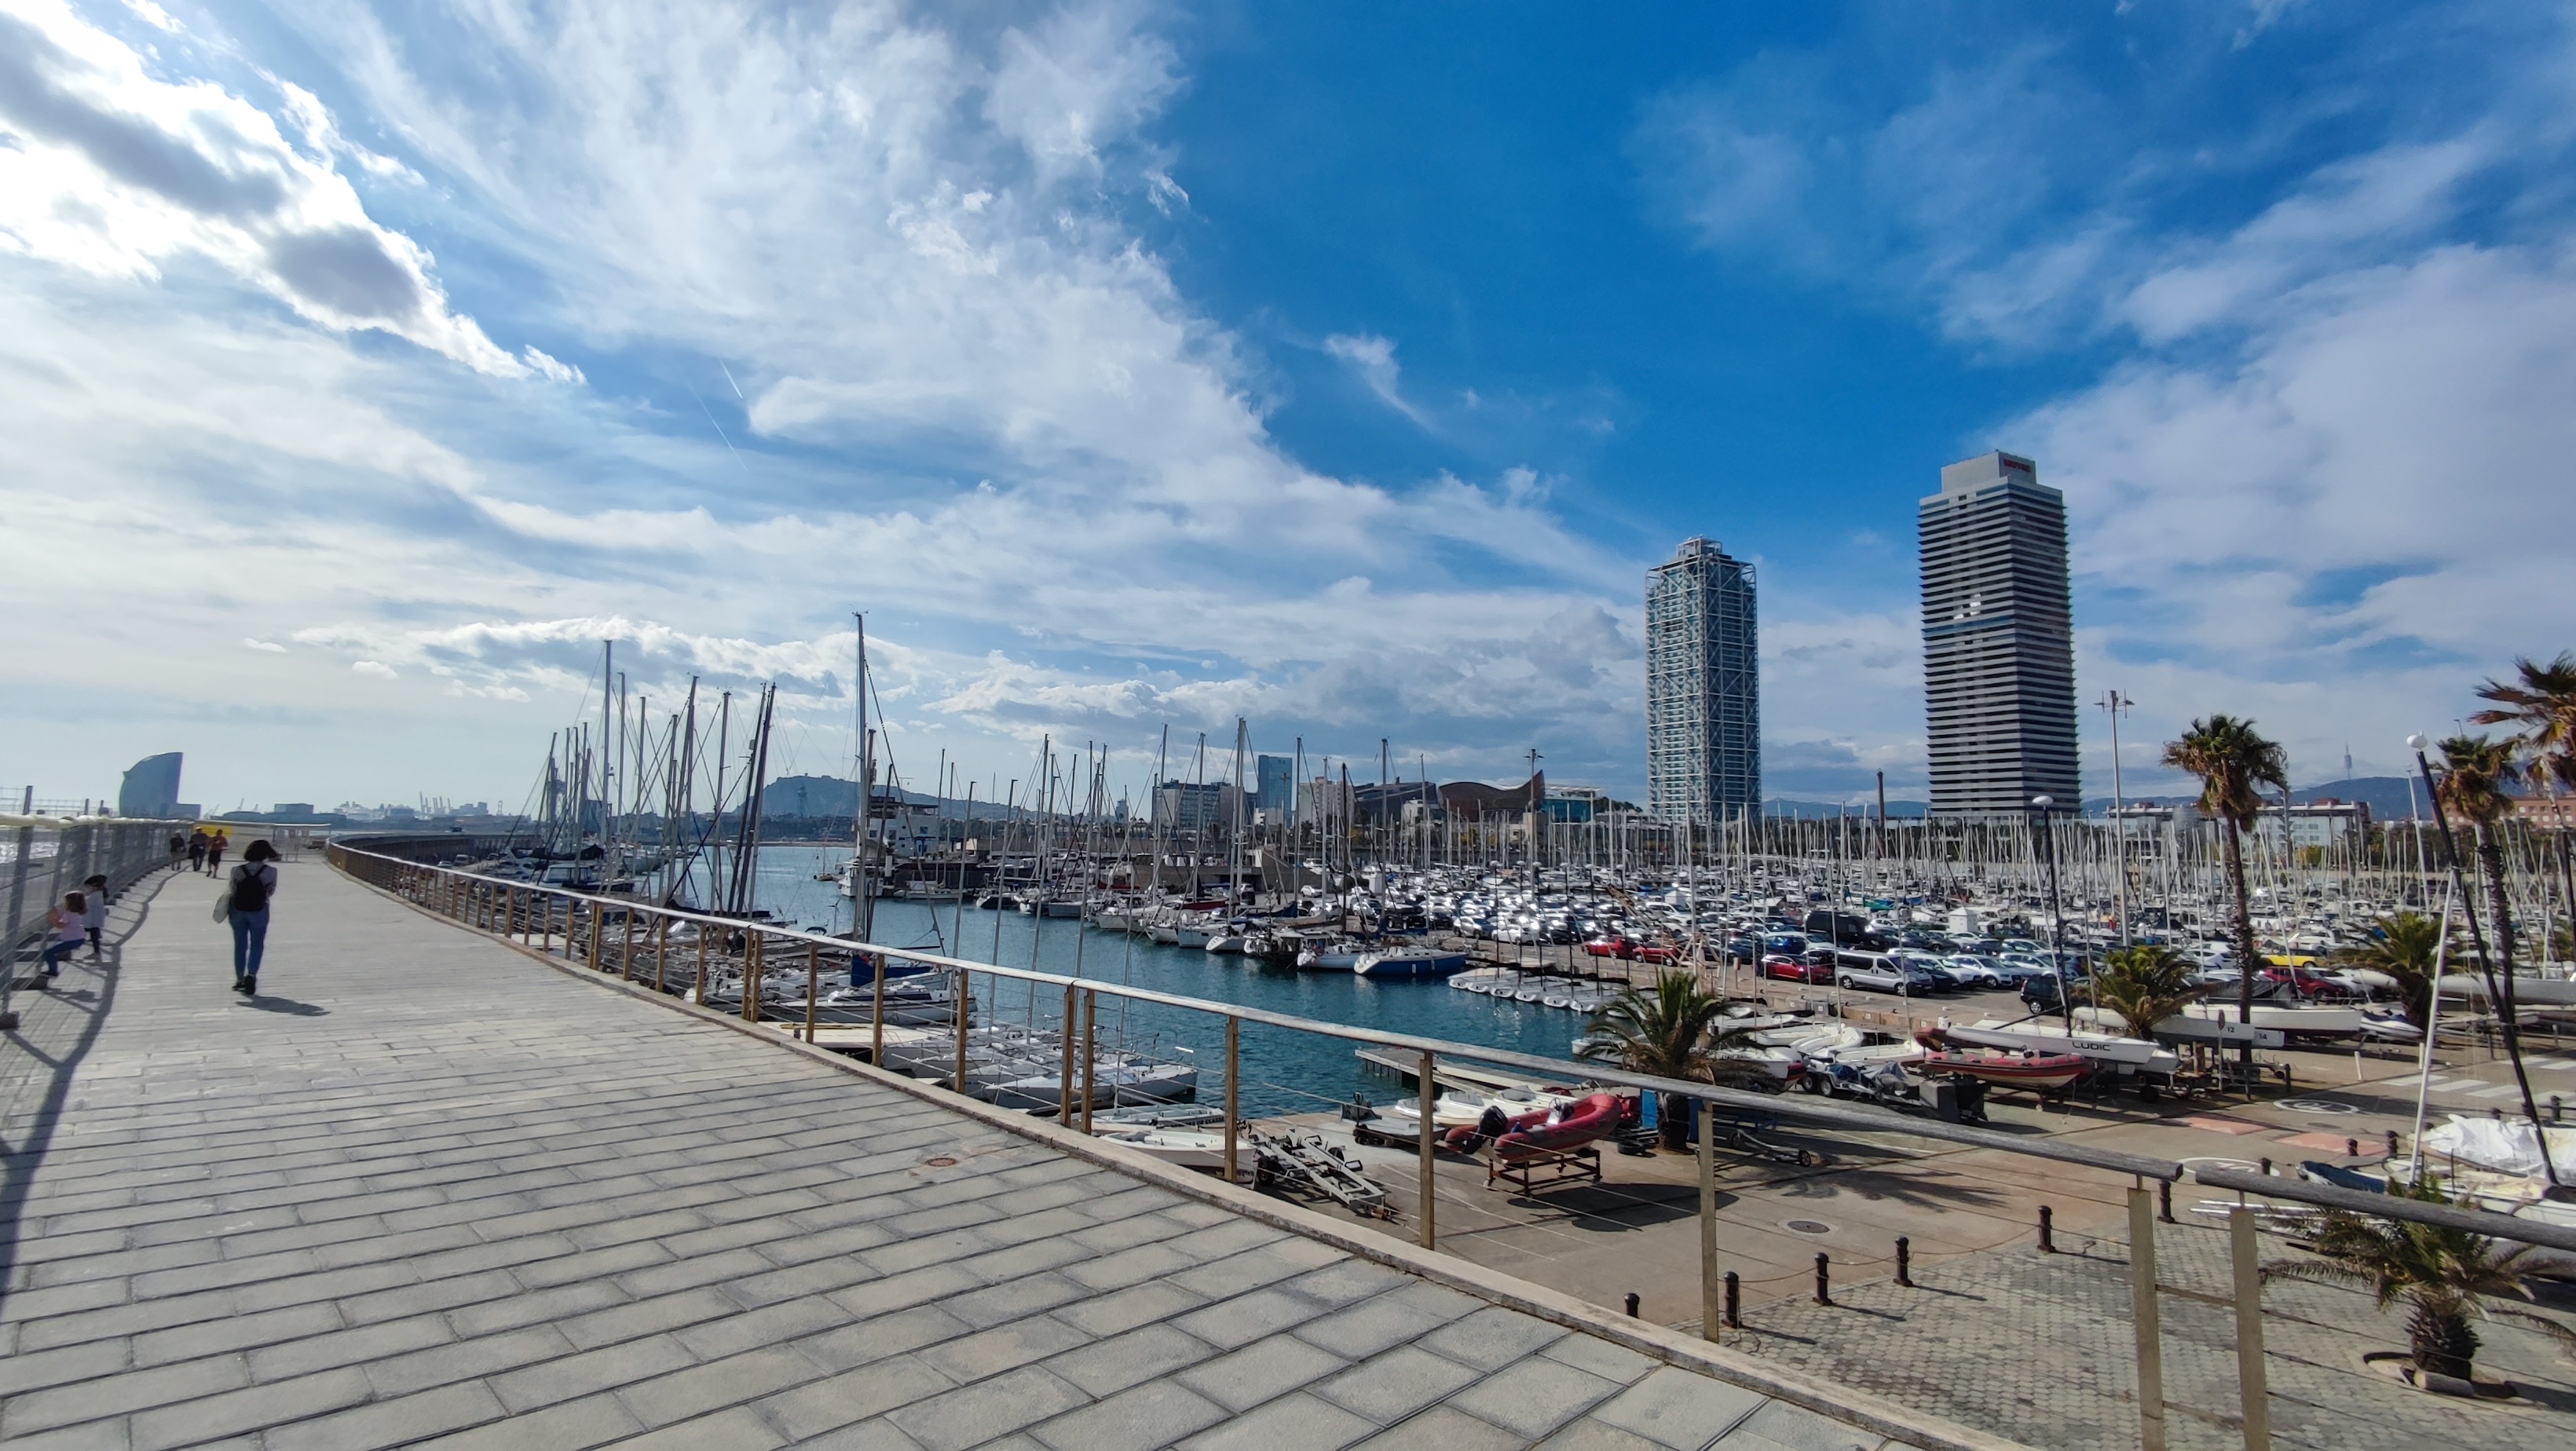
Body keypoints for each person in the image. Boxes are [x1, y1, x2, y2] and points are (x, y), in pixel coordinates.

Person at [226, 841, 280, 996]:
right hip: (259, 910)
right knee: (257, 944)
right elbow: (270, 892)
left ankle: (239, 979)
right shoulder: (271, 872)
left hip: (238, 911)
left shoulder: (236, 870)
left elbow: (232, 890)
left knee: (240, 945)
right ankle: (251, 974)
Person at [41, 893, 85, 981]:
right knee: (53, 951)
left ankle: (53, 971)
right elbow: (66, 920)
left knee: (48, 953)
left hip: (72, 940)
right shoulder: (76, 913)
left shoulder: (68, 914)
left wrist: (52, 920)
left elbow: (60, 925)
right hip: (79, 939)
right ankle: (53, 970)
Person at [81, 874, 108, 960]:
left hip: (93, 920)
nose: (86, 890)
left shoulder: (94, 896)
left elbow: (85, 904)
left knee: (93, 936)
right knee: (94, 936)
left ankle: (97, 953)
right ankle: (97, 953)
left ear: (94, 886)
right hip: (95, 920)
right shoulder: (98, 894)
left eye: (88, 887)